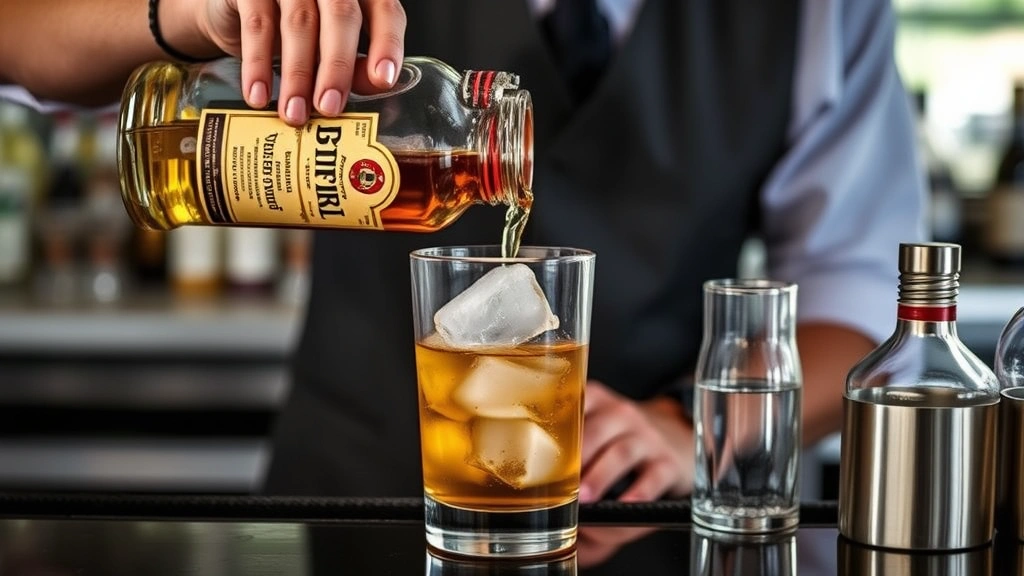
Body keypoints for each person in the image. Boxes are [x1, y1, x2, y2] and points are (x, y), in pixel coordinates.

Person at [1, 0, 925, 507]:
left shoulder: (820, 13)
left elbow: (859, 300)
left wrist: (699, 429)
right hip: (350, 496)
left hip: (633, 517)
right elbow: (20, 42)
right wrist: (187, 13)